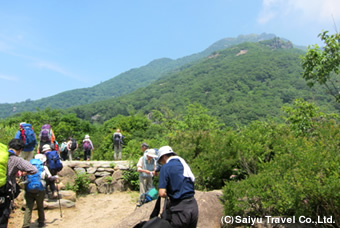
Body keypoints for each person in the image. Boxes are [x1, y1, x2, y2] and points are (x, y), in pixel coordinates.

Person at [157, 146, 198, 228]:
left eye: (161, 161)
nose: (162, 163)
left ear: (164, 156)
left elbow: (162, 193)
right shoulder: (183, 164)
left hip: (179, 208)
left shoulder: (166, 167)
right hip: (193, 205)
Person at [0, 139, 37, 228]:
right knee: (2, 219)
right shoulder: (16, 159)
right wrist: (23, 173)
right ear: (20, 149)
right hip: (4, 192)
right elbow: (33, 169)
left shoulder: (2, 156)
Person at [23, 151, 57, 228]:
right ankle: (41, 222)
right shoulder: (44, 167)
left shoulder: (28, 165)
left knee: (28, 207)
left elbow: (23, 176)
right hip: (40, 189)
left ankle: (26, 224)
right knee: (40, 206)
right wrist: (55, 177)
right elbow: (50, 177)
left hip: (29, 189)